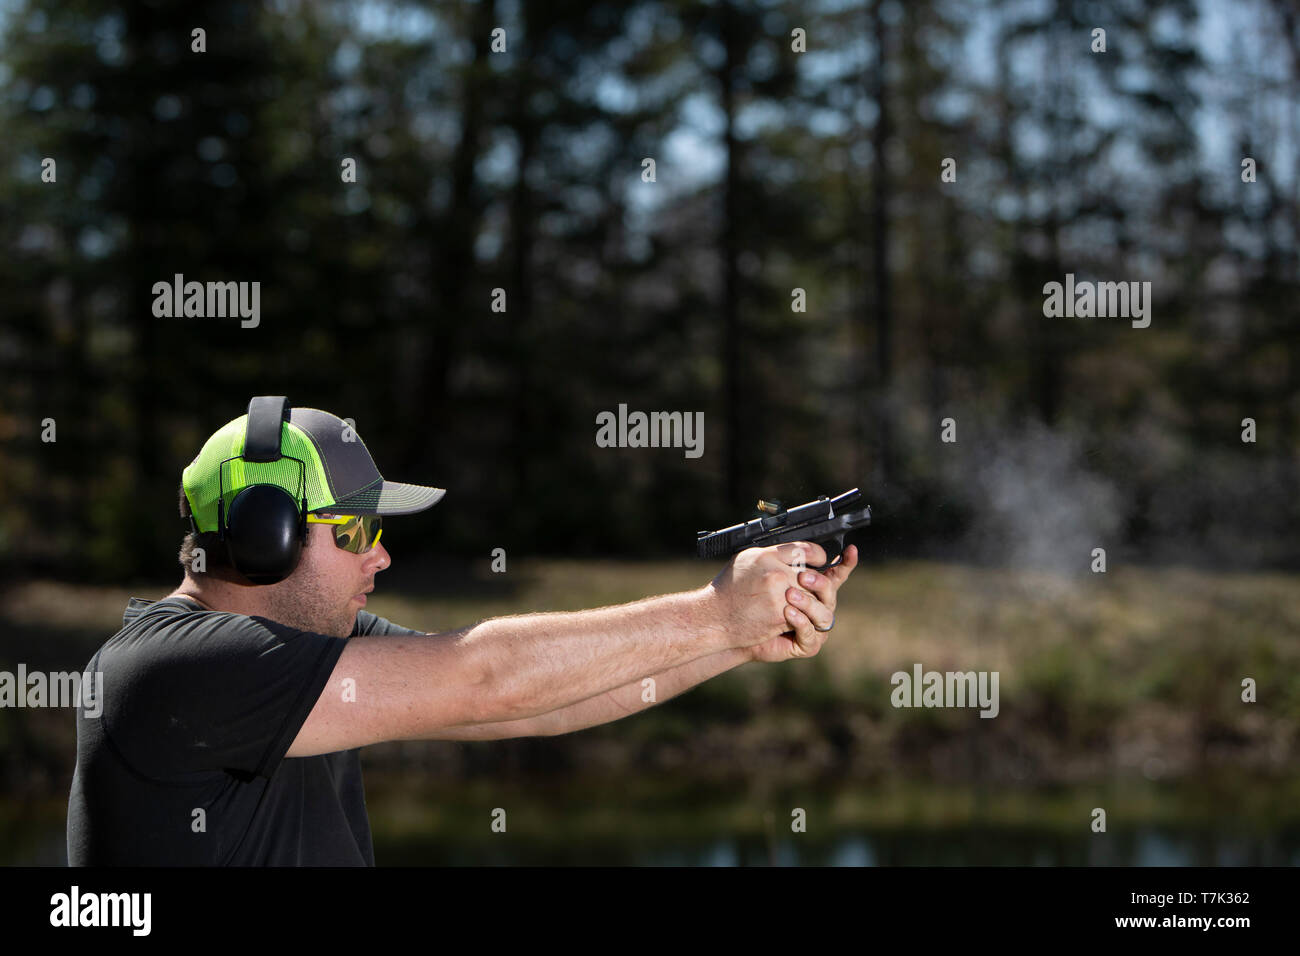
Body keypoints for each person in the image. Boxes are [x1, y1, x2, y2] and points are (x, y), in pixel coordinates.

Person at [67, 396, 858, 865]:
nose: (379, 554)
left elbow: (528, 705)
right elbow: (485, 676)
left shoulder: (313, 651)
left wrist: (734, 642)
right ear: (262, 532)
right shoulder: (171, 671)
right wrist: (714, 611)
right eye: (353, 530)